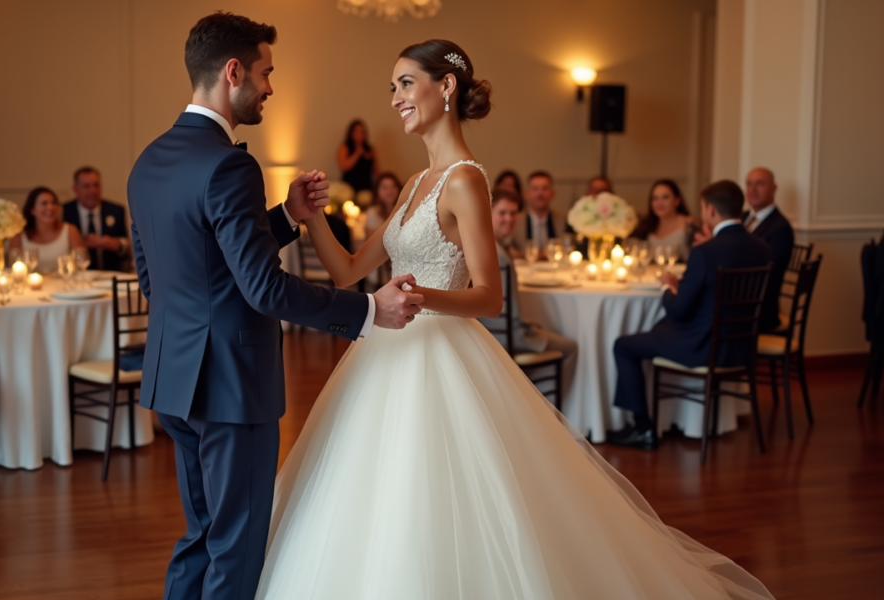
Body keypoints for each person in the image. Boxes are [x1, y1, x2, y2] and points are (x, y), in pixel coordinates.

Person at [255, 41, 774, 599]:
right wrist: (311, 217)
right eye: (392, 87)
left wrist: (416, 296)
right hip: (386, 349)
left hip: (440, 348)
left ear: (445, 86)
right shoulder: (412, 184)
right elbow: (348, 271)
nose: (396, 98)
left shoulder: (465, 180)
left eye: (406, 83)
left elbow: (489, 297)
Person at [125, 12, 420, 600]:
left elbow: (165, 277)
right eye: (266, 73)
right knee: (236, 547)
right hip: (231, 387)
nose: (270, 88)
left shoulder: (148, 161)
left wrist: (286, 216)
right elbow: (263, 288)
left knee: (201, 536)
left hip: (174, 379)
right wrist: (367, 310)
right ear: (233, 72)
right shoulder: (230, 164)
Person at [609, 180, 773, 451]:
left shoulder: (706, 252)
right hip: (741, 346)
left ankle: (642, 428)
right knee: (659, 329)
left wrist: (668, 287)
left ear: (710, 210)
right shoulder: (762, 248)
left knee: (624, 345)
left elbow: (678, 310)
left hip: (703, 346)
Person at [479, 188, 578, 379]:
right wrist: (530, 328)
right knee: (570, 347)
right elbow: (507, 313)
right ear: (488, 213)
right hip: (507, 336)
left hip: (491, 332)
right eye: (502, 213)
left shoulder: (490, 245)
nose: (509, 219)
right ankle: (542, 395)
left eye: (513, 213)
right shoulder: (499, 256)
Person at [743, 167, 794, 331]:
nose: (753, 190)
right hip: (739, 300)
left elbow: (770, 275)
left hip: (759, 311)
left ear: (773, 188)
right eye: (749, 184)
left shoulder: (780, 228)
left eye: (760, 184)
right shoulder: (742, 218)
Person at [62, 167, 130, 271]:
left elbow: (127, 245)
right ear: (75, 189)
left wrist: (115, 244)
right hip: (78, 274)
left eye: (96, 185)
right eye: (86, 186)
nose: (92, 191)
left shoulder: (116, 210)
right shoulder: (64, 211)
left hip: (111, 273)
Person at [9, 187, 84, 274]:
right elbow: (14, 268)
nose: (50, 207)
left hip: (65, 281)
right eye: (44, 203)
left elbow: (81, 263)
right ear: (32, 210)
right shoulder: (19, 235)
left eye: (53, 203)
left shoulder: (70, 230)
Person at [507, 170, 570, 258]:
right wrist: (530, 255)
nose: (540, 194)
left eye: (545, 189)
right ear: (526, 194)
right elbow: (507, 248)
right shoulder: (514, 220)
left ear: (553, 194)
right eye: (535, 189)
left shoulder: (563, 220)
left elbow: (569, 246)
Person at [629, 179, 696, 262]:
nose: (659, 203)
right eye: (655, 198)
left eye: (665, 197)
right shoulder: (646, 226)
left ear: (677, 200)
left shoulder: (689, 224)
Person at [336, 119, 377, 193]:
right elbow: (343, 167)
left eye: (362, 132)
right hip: (348, 187)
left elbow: (376, 171)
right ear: (351, 133)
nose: (360, 135)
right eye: (357, 132)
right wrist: (357, 154)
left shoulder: (370, 149)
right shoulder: (344, 147)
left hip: (366, 188)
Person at [364, 172, 402, 238]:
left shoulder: (404, 209)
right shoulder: (373, 212)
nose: (389, 191)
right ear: (377, 191)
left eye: (393, 187)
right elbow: (371, 239)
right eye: (385, 188)